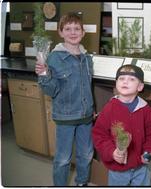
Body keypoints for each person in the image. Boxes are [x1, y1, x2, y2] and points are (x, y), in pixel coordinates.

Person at [35, 13, 94, 186]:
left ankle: (82, 182)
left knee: (86, 154)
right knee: (62, 159)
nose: (73, 32)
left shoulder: (87, 58)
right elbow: (51, 90)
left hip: (86, 116)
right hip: (65, 117)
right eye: (68, 29)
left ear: (83, 33)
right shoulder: (53, 58)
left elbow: (87, 88)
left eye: (77, 28)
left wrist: (92, 108)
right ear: (60, 32)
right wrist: (44, 73)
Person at [92, 64, 151, 186]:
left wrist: (149, 151)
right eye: (122, 78)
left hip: (141, 165)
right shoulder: (109, 109)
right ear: (116, 83)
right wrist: (112, 152)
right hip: (118, 168)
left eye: (131, 79)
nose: (125, 82)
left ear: (140, 87)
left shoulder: (146, 110)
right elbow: (99, 135)